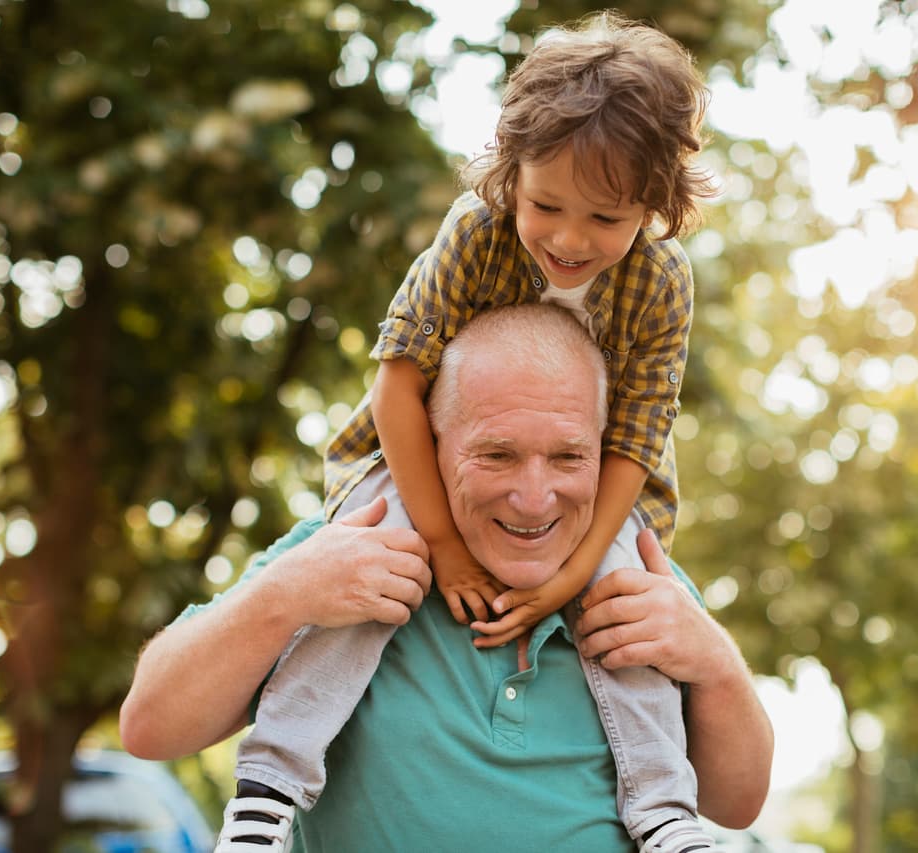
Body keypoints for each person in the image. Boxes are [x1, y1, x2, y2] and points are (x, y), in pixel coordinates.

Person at [215, 11, 724, 849]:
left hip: (585, 481)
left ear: (657, 205)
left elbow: (636, 435)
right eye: (547, 205)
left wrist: (575, 575)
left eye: (606, 220)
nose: (569, 238)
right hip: (431, 455)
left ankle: (663, 809)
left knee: (633, 603)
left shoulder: (663, 281)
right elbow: (396, 386)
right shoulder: (475, 232)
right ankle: (270, 781)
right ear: (509, 172)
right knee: (369, 565)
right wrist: (443, 544)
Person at [120, 305, 774, 853]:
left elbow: (739, 801)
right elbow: (151, 725)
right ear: (429, 448)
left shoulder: (639, 578)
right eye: (497, 454)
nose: (535, 494)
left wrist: (714, 661)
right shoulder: (348, 553)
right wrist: (284, 593)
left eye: (569, 456)